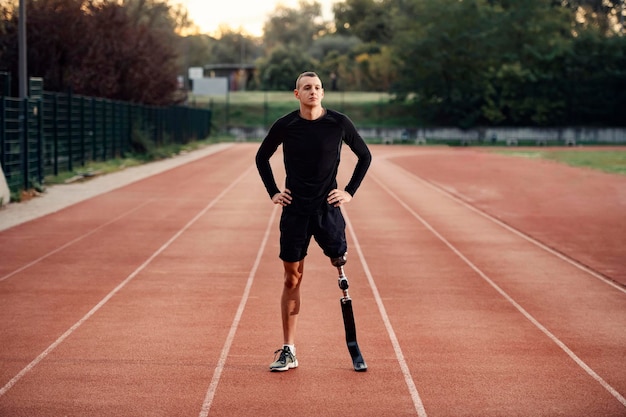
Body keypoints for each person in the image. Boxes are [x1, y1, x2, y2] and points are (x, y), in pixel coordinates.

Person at [255, 71, 372, 372]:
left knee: (340, 264)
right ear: (297, 94)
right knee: (292, 278)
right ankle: (289, 350)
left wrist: (349, 192)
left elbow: (365, 156)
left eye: (318, 87)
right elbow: (261, 157)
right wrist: (273, 192)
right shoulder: (286, 125)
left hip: (327, 210)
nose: (314, 92)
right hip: (295, 212)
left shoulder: (338, 123)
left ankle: (354, 342)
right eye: (307, 88)